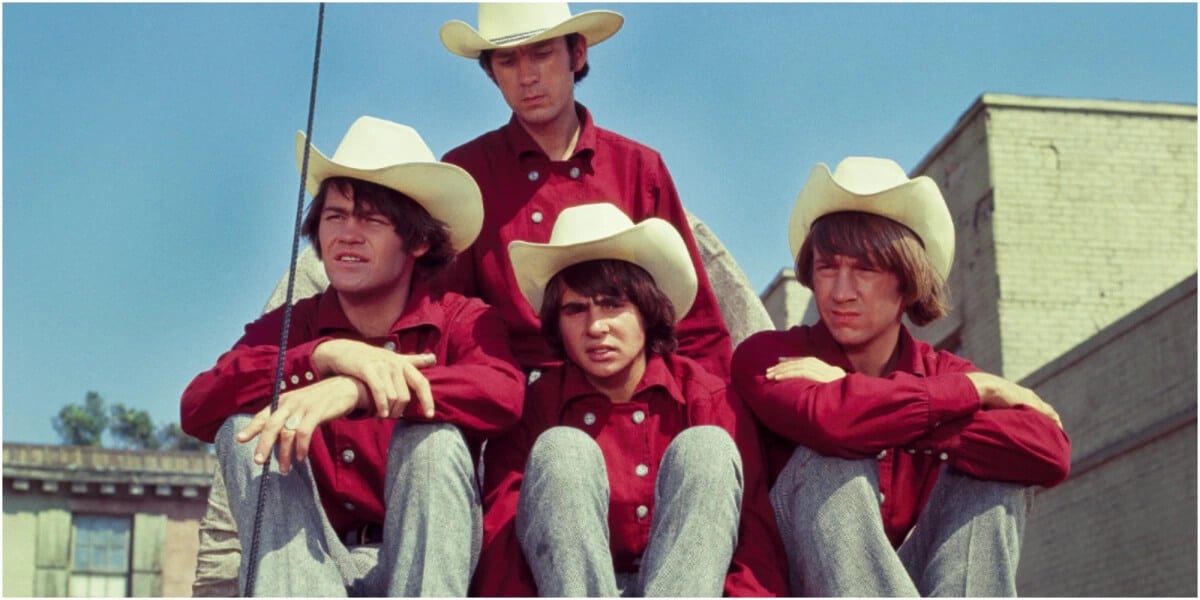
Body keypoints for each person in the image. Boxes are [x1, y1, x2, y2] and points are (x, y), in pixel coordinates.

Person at [180, 116, 525, 596]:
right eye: (335, 216)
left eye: (372, 220)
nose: (347, 234)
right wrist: (324, 356)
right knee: (243, 428)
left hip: (427, 564)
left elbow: (503, 393)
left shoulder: (461, 318)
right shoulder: (294, 324)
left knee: (436, 444)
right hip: (316, 566)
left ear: (420, 241)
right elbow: (197, 405)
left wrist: (358, 388)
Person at [731, 157, 1072, 596]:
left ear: (907, 282)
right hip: (803, 585)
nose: (840, 292)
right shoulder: (769, 355)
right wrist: (977, 389)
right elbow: (831, 425)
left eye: (866, 269)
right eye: (827, 267)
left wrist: (874, 404)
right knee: (828, 461)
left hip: (905, 579)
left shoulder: (940, 372)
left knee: (994, 477)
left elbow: (1049, 453)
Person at [472, 202, 787, 597]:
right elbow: (504, 538)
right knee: (561, 449)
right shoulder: (535, 406)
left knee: (707, 446)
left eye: (612, 304)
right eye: (575, 309)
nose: (596, 327)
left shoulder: (708, 396)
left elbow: (753, 537)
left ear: (646, 309)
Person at [437, 2, 734, 378]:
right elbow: (445, 312)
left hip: (633, 388)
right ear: (491, 72)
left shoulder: (639, 167)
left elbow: (694, 324)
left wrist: (707, 409)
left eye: (542, 53)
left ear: (576, 54)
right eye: (507, 61)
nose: (527, 76)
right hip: (518, 395)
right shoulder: (466, 172)